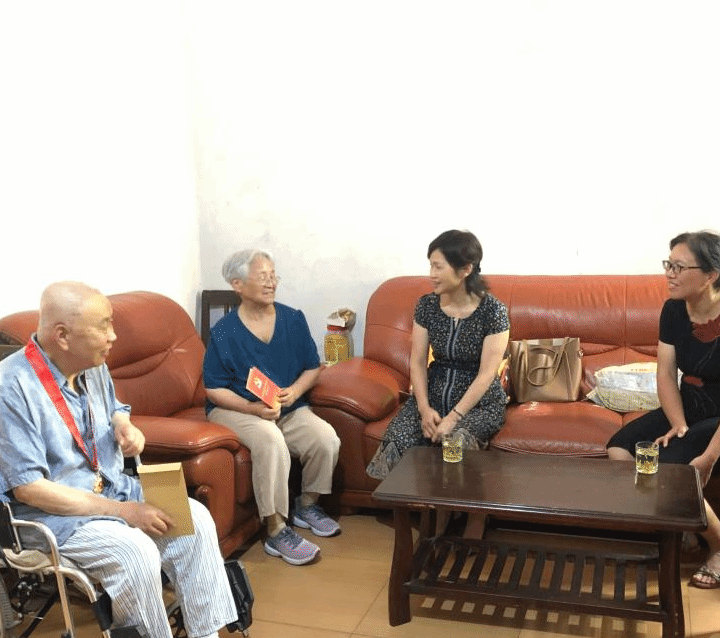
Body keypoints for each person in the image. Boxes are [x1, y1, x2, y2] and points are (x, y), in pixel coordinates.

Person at [0, 282, 269, 638]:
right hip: (47, 516)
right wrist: (125, 513)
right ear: (62, 335)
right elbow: (30, 489)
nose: (113, 336)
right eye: (104, 327)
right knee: (136, 551)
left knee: (193, 518)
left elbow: (114, 405)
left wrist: (125, 425)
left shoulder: (89, 364)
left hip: (107, 488)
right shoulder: (11, 389)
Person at [607, 231, 720, 589]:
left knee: (669, 470)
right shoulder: (673, 309)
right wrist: (678, 423)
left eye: (679, 267)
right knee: (619, 449)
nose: (669, 274)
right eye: (668, 265)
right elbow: (666, 373)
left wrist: (708, 457)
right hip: (693, 407)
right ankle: (682, 530)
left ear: (710, 275)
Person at [203, 250, 341, 566]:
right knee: (270, 439)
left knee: (325, 439)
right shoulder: (224, 331)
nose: (271, 283)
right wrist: (251, 409)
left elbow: (313, 367)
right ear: (238, 285)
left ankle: (307, 504)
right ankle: (276, 530)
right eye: (262, 277)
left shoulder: (292, 319)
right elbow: (213, 388)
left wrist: (295, 391)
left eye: (273, 275)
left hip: (285, 407)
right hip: (236, 409)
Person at [367, 229, 510, 484]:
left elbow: (487, 374)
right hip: (432, 394)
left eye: (438, 267)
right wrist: (424, 409)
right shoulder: (427, 306)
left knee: (454, 445)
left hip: (478, 404)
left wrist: (454, 417)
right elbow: (417, 361)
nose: (431, 274)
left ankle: (447, 509)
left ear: (465, 269)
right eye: (430, 266)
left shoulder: (493, 312)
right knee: (397, 440)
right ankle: (412, 506)